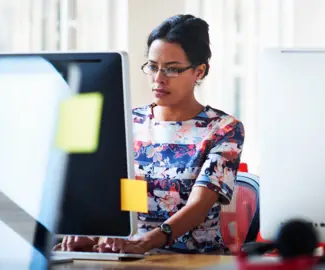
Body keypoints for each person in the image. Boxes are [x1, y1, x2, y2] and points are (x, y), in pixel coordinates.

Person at [54, 14, 245, 254]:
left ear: (199, 71)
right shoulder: (129, 122)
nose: (158, 79)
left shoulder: (224, 129)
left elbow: (200, 205)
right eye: (153, 67)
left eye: (172, 70)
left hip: (195, 259)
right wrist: (92, 236)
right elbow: (127, 196)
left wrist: (148, 242)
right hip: (133, 255)